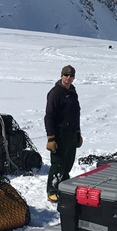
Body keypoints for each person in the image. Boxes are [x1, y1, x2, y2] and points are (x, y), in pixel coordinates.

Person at [45, 64, 82, 202]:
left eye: (71, 76)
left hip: (71, 134)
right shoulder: (55, 93)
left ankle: (65, 185)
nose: (68, 78)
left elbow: (75, 114)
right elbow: (49, 116)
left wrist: (78, 133)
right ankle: (52, 190)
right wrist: (51, 138)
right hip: (59, 134)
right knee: (58, 163)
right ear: (61, 76)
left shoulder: (72, 93)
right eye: (66, 75)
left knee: (68, 162)